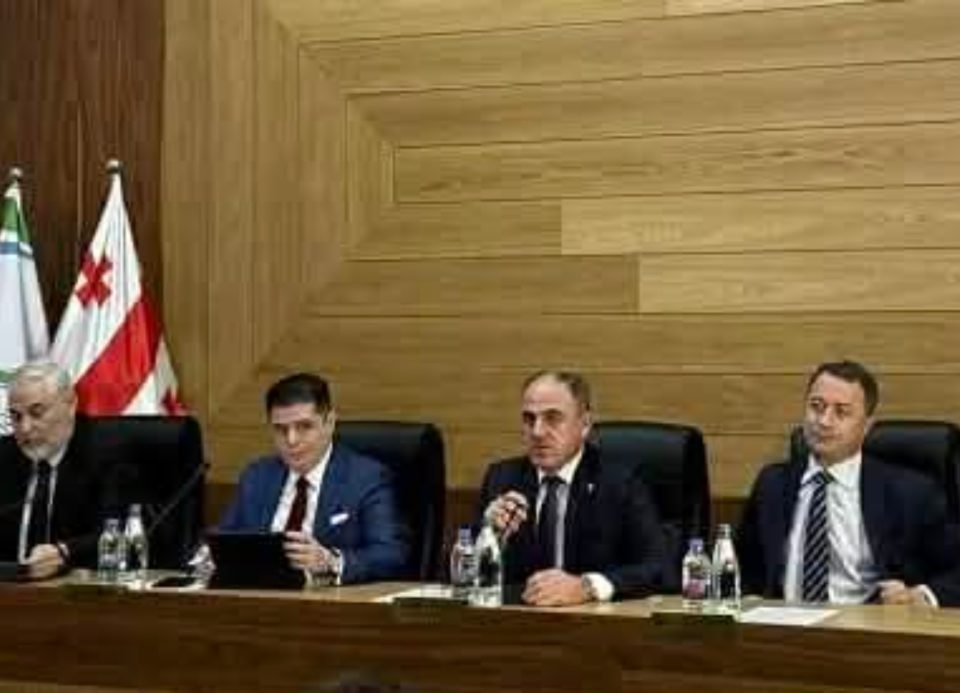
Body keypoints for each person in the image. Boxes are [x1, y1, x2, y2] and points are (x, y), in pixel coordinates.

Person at [737, 360, 960, 606]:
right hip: (784, 623)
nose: (824, 421)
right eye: (816, 407)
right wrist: (747, 596)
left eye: (841, 412)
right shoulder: (772, 483)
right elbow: (742, 564)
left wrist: (918, 595)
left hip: (867, 624)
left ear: (866, 426)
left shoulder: (910, 492)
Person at [476, 370, 665, 606]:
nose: (537, 432)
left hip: (595, 621)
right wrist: (488, 537)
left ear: (584, 425)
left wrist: (587, 587)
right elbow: (456, 574)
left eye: (552, 418)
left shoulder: (621, 482)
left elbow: (658, 568)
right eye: (529, 419)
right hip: (517, 620)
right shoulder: (503, 478)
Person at [219, 372, 410, 584]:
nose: (291, 440)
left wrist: (331, 562)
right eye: (281, 429)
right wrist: (207, 559)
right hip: (257, 596)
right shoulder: (258, 476)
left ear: (330, 423)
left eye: (304, 427)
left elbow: (391, 555)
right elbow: (222, 540)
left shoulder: (366, 478)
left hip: (327, 601)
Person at [0, 360, 112, 578]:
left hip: (78, 594)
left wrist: (65, 552)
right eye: (16, 416)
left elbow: (121, 533)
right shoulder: (4, 457)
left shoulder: (106, 455)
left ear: (70, 405)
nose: (25, 428)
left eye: (37, 413)